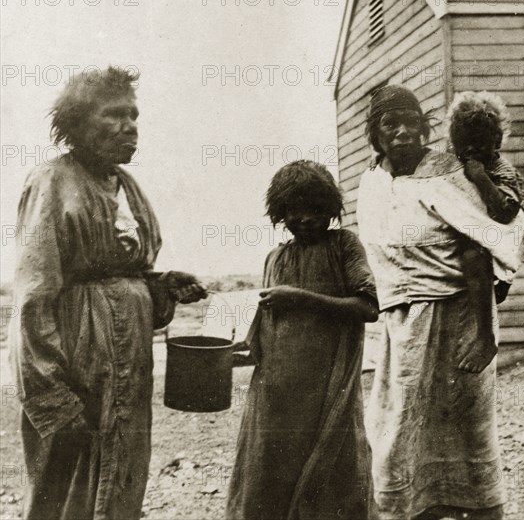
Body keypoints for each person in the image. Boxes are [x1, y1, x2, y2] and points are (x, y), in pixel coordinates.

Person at [10, 66, 207, 520]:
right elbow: (33, 296)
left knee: (121, 477)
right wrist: (52, 395)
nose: (129, 126)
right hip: (76, 363)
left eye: (134, 115)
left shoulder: (129, 188)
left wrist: (159, 284)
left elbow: (123, 274)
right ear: (78, 124)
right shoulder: (53, 181)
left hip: (128, 364)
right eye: (113, 115)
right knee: (66, 484)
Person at [357, 85, 524, 520]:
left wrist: (486, 336)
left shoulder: (448, 174)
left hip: (460, 320)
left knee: (468, 429)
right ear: (374, 135)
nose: (402, 133)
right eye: (390, 125)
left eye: (413, 124)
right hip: (402, 326)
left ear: (426, 129)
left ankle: (483, 512)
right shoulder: (373, 182)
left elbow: (492, 239)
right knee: (400, 427)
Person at [226, 160, 380, 520]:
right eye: (294, 211)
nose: (305, 218)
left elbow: (368, 306)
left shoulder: (344, 245)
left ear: (329, 209)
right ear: (281, 213)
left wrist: (301, 298)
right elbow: (265, 322)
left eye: (314, 209)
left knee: (335, 475)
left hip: (329, 391)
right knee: (272, 477)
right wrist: (236, 353)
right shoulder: (275, 258)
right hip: (276, 394)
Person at [446, 91, 524, 372]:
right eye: (464, 146)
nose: (471, 153)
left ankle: (486, 337)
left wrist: (481, 177)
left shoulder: (500, 168)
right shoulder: (456, 161)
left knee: (472, 256)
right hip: (480, 225)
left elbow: (506, 211)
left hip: (508, 231)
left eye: (479, 146)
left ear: (495, 143)